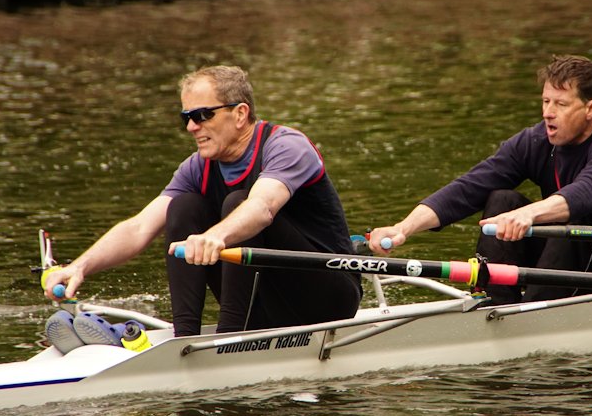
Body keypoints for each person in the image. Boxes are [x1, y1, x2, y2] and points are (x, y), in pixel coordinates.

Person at [44, 65, 361, 335]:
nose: (192, 127)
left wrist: (214, 237)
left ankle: (229, 337)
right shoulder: (197, 167)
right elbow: (139, 227)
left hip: (328, 299)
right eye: (186, 118)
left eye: (202, 115)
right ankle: (185, 338)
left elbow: (261, 208)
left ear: (240, 114)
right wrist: (79, 267)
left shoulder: (287, 146)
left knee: (239, 203)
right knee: (183, 208)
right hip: (265, 304)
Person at [368, 55, 592, 305]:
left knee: (575, 220)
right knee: (501, 200)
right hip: (566, 263)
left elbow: (586, 193)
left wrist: (527, 214)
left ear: (591, 108)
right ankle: (497, 305)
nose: (548, 112)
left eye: (560, 103)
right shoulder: (534, 142)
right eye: (546, 101)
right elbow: (468, 188)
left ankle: (529, 315)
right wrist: (404, 227)